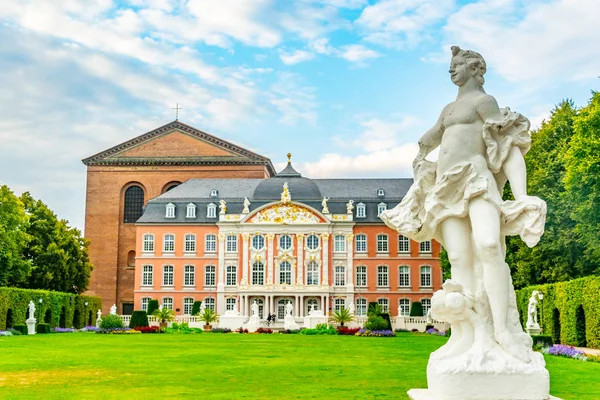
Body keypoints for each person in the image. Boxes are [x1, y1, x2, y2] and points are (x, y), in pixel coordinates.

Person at [381, 46, 546, 361]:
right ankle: (466, 335)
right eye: (450, 66)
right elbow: (430, 138)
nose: (451, 70)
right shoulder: (448, 109)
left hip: (474, 178)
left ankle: (501, 330)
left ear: (475, 68)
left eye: (457, 65)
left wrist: (521, 194)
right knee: (458, 257)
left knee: (488, 245)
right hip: (445, 188)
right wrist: (421, 157)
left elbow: (507, 144)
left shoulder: (484, 102)